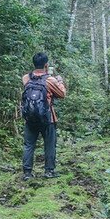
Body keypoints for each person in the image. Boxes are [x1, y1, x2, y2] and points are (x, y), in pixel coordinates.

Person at [20, 52, 67, 180]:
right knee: (49, 144)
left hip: (30, 117)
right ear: (46, 65)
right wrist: (60, 81)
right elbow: (62, 94)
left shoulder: (26, 78)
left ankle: (27, 173)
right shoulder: (50, 80)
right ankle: (49, 171)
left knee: (29, 145)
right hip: (48, 118)